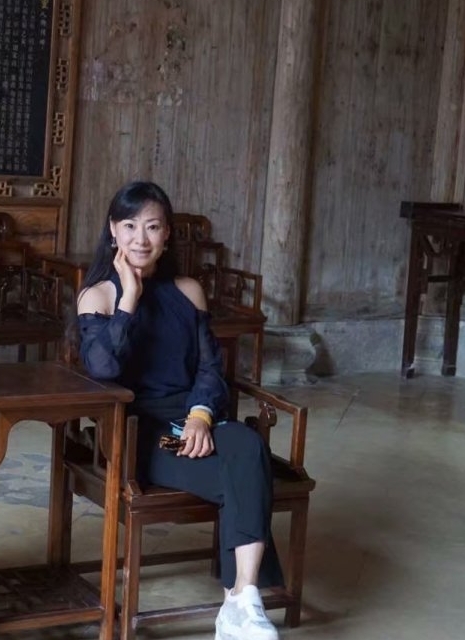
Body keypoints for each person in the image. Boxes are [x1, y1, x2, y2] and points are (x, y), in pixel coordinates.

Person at [76, 181, 282, 640]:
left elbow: (210, 369)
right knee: (243, 477)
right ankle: (239, 608)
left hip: (193, 419)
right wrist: (129, 298)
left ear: (167, 233)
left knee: (247, 445)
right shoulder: (98, 296)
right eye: (130, 226)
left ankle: (243, 597)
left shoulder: (188, 291)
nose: (141, 239)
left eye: (152, 227)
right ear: (113, 230)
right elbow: (103, 368)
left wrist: (200, 416)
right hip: (144, 433)